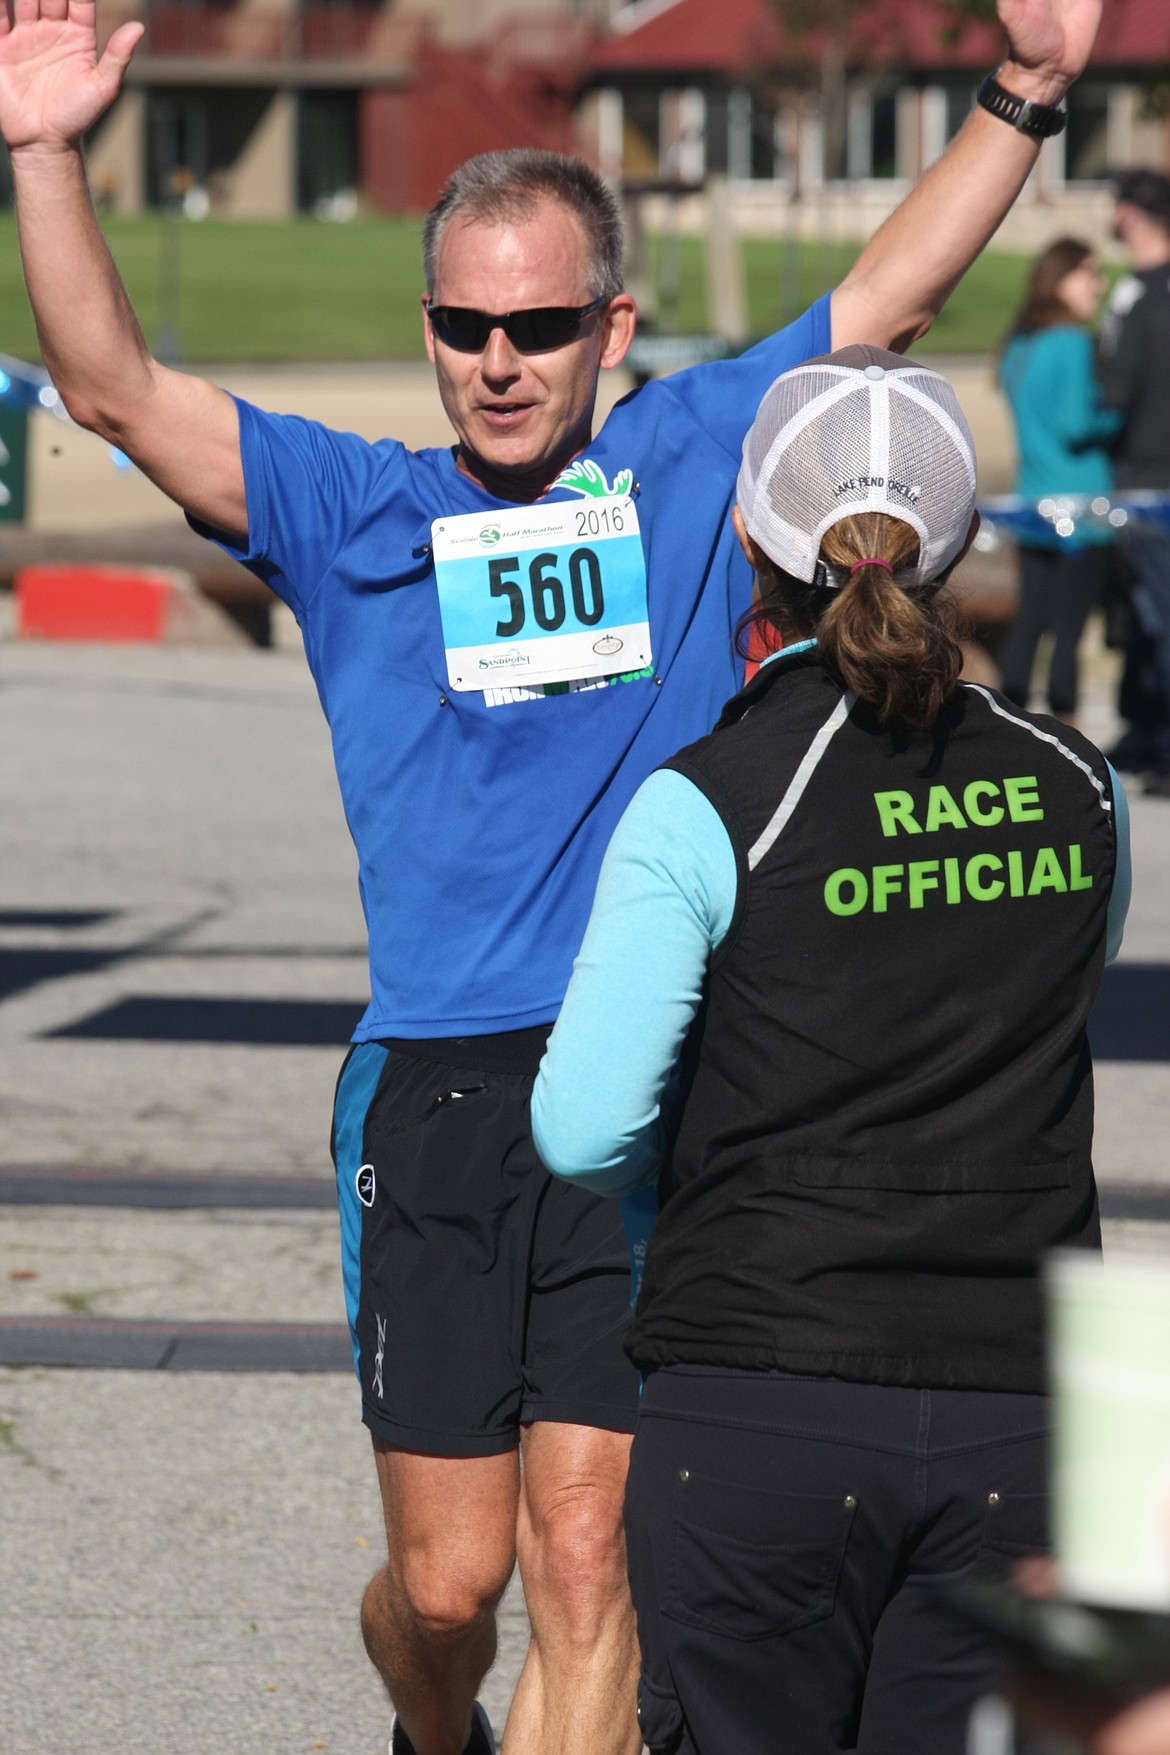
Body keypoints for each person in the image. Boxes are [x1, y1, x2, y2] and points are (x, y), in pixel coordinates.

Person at [0, 0, 1103, 1747]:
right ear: (428, 328)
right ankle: (429, 1719)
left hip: (645, 1081)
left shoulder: (680, 459)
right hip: (433, 1092)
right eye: (461, 325)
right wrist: (44, 151)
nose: (497, 361)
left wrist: (1028, 89)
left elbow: (883, 300)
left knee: (590, 1559)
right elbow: (117, 388)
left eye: (535, 325)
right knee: (449, 1592)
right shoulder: (343, 506)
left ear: (613, 325)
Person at [533, 346, 1132, 1755]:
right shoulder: (1077, 784)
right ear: (964, 540)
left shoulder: (707, 797)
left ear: (750, 537)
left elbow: (578, 1122)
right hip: (1029, 1410)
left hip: (757, 1395)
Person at [997, 237, 1122, 722]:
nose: (1100, 284)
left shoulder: (1019, 344)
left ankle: (1008, 727)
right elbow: (1077, 425)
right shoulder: (1070, 341)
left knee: (1030, 620)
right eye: (1089, 273)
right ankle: (1067, 736)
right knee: (1068, 630)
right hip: (1083, 510)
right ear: (1061, 279)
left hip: (1031, 504)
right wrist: (1119, 416)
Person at [1099, 168, 1170, 793]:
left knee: (1156, 614)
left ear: (1129, 216)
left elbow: (1117, 392)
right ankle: (1146, 728)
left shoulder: (1138, 300)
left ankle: (1156, 737)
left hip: (1149, 476)